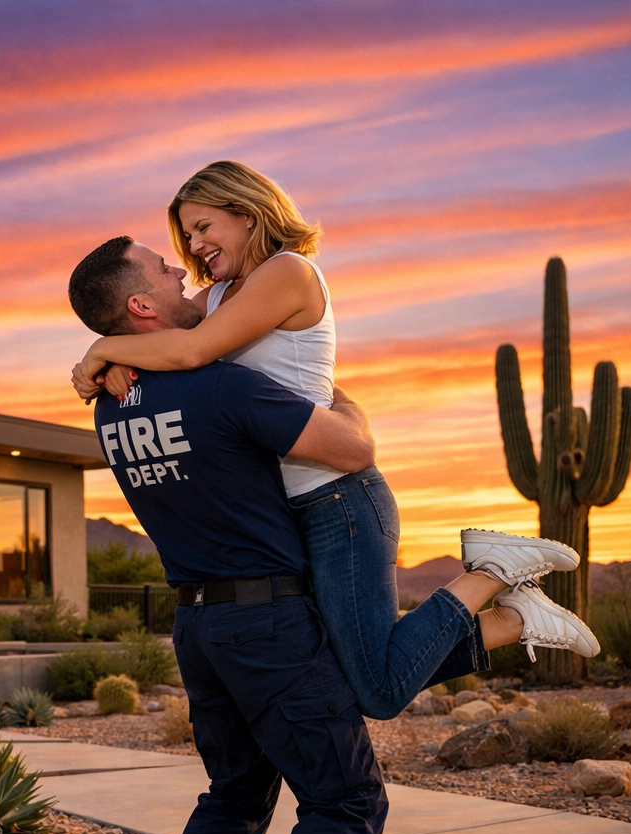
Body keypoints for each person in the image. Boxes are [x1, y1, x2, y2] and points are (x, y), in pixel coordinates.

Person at [66, 236, 594, 834]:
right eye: (163, 269)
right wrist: (329, 387)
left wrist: (100, 355)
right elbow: (353, 449)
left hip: (200, 627)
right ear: (142, 307)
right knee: (347, 800)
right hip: (267, 620)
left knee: (239, 791)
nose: (181, 269)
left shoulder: (113, 403)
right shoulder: (222, 386)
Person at [72, 162, 597, 720]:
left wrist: (102, 351)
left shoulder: (287, 273)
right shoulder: (221, 295)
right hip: (293, 506)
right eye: (187, 234)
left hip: (338, 500)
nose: (194, 247)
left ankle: (494, 581)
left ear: (247, 214)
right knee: (346, 675)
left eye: (203, 228)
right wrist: (109, 360)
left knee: (377, 691)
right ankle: (516, 617)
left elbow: (190, 352)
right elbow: (162, 330)